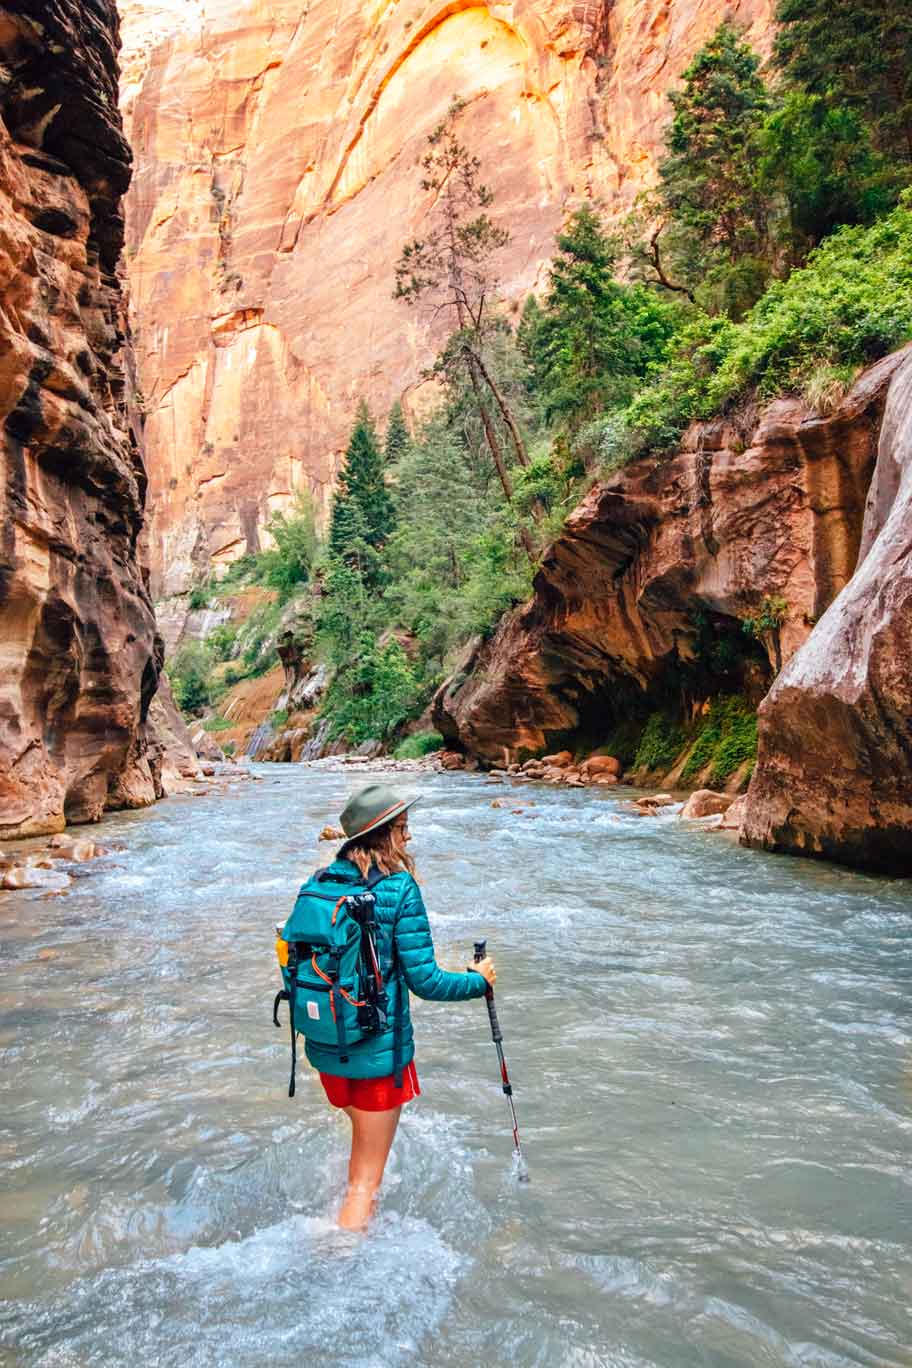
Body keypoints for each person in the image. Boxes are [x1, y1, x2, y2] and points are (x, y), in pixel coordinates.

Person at [306, 783, 495, 1231]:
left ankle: (345, 1216)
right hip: (378, 1054)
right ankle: (342, 1257)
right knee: (365, 1184)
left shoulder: (321, 882)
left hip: (327, 1047)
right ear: (383, 835)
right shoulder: (399, 888)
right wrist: (478, 981)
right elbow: (425, 981)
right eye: (402, 829)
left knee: (361, 1147)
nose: (408, 839)